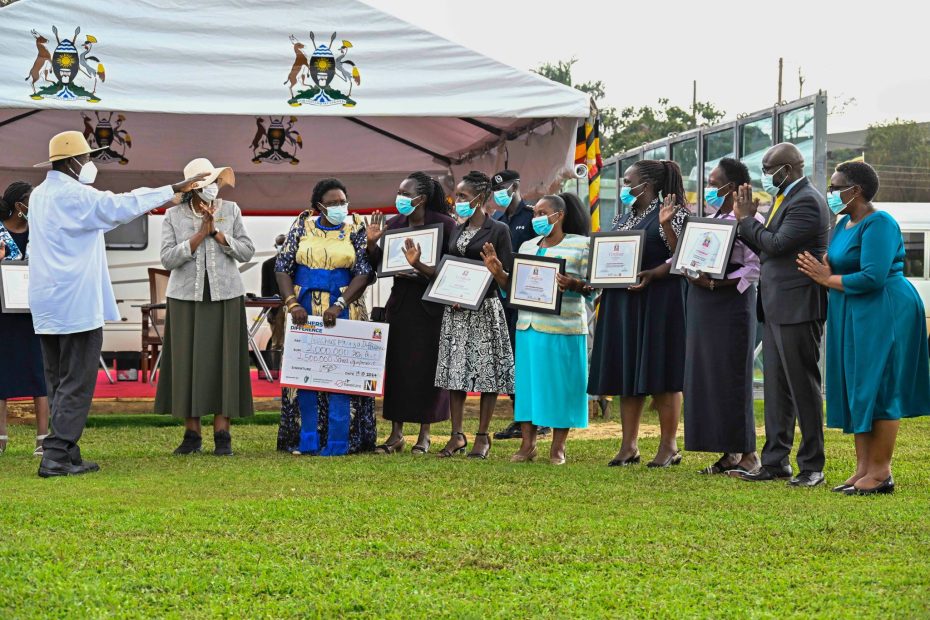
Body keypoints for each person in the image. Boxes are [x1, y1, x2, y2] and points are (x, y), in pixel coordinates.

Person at [28, 130, 207, 477]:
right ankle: (56, 455)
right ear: (73, 162)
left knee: (58, 378)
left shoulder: (39, 195)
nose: (90, 164)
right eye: (87, 157)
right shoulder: (75, 195)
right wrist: (173, 189)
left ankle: (67, 449)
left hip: (48, 301)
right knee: (77, 380)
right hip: (75, 301)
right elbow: (119, 206)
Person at [797, 162, 930, 494]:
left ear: (854, 190)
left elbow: (873, 275)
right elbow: (837, 261)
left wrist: (827, 278)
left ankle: (881, 471)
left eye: (834, 186)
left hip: (885, 308)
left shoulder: (880, 223)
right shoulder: (843, 224)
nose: (829, 193)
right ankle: (862, 469)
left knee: (880, 385)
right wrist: (825, 268)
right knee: (857, 385)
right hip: (851, 310)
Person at [733, 143, 831, 487]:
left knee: (803, 386)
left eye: (768, 166)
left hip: (798, 306)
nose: (764, 173)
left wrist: (746, 220)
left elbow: (775, 245)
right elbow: (768, 246)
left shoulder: (806, 200)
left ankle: (812, 465)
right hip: (776, 306)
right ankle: (775, 461)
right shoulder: (784, 198)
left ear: (786, 169)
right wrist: (752, 224)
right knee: (776, 387)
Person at [587, 160, 689, 468]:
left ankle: (669, 446)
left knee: (662, 374)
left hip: (660, 301)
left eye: (628, 182)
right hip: (622, 302)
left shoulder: (674, 211)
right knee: (627, 371)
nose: (624, 188)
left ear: (647, 185)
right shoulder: (624, 216)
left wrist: (667, 228)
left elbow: (683, 255)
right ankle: (628, 445)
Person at [154, 158, 255, 456]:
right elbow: (167, 259)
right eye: (205, 183)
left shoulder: (231, 210)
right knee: (188, 363)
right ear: (192, 188)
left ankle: (223, 434)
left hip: (226, 295)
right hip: (186, 297)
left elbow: (247, 251)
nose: (212, 188)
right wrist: (199, 233)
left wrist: (219, 235)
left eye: (214, 182)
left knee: (225, 361)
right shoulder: (173, 216)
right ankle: (191, 434)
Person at [414, 171, 514, 459]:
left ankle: (482, 436)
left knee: (487, 374)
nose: (457, 201)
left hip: (485, 311)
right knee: (455, 373)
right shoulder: (457, 229)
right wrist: (419, 264)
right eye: (456, 196)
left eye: (463, 196)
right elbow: (447, 273)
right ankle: (457, 435)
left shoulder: (498, 230)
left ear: (480, 198)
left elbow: (507, 280)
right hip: (455, 311)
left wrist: (498, 272)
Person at [275, 178, 377, 456]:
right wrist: (292, 303)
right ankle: (306, 439)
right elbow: (283, 266)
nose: (339, 207)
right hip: (303, 311)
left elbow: (365, 272)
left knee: (341, 373)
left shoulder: (356, 226)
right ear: (319, 206)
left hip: (345, 308)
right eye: (332, 203)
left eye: (342, 202)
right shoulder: (302, 224)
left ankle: (341, 440)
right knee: (306, 374)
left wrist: (340, 303)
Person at [488, 193, 591, 465]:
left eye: (543, 213)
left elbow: (595, 288)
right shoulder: (528, 246)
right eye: (534, 213)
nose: (537, 218)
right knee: (528, 388)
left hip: (563, 329)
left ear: (559, 215)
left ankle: (558, 447)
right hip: (528, 327)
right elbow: (514, 289)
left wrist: (574, 285)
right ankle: (527, 445)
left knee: (561, 387)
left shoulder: (581, 246)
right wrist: (499, 273)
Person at [680, 159, 762, 475]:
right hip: (704, 301)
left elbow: (754, 268)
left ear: (733, 187)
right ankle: (728, 451)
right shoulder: (711, 219)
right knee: (709, 376)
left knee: (732, 377)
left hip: (732, 304)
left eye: (715, 183)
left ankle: (749, 454)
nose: (710, 189)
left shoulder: (748, 219)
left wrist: (716, 282)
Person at [365, 172, 456, 454]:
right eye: (399, 192)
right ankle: (396, 434)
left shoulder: (445, 225)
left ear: (422, 198)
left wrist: (419, 268)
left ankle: (424, 434)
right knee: (398, 369)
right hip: (400, 304)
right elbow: (376, 267)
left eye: (406, 194)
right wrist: (371, 243)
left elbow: (450, 269)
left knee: (427, 369)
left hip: (430, 306)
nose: (400, 198)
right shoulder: (393, 225)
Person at [489, 170, 550, 440]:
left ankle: (542, 418)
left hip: (530, 296)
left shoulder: (533, 216)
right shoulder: (497, 220)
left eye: (503, 188)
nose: (499, 193)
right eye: (495, 189)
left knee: (530, 357)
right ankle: (520, 416)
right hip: (503, 296)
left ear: (516, 186)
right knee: (510, 357)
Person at [0, 182, 49, 457]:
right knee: (2, 371)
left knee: (38, 371)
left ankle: (43, 438)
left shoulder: (39, 232)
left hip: (35, 312)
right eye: (32, 201)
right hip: (3, 314)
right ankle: (0, 437)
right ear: (20, 206)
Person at [261, 233, 288, 353]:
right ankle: (275, 370)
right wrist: (268, 311)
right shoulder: (268, 264)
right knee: (277, 343)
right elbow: (265, 289)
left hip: (292, 306)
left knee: (293, 342)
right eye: (279, 244)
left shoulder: (296, 263)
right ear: (275, 245)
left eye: (284, 244)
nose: (282, 246)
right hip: (276, 308)